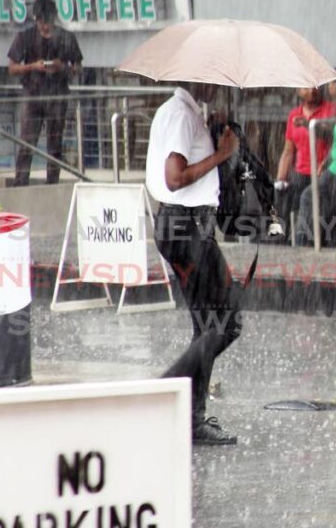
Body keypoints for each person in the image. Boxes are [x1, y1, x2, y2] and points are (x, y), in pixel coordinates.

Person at [146, 82, 242, 446]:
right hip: (186, 228)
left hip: (190, 228)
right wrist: (221, 154)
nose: (217, 86)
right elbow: (175, 178)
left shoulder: (185, 114)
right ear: (197, 80)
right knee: (224, 321)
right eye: (213, 80)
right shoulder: (181, 115)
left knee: (212, 324)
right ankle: (169, 394)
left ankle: (189, 417)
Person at [7, 0, 83, 186]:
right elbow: (12, 67)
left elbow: (78, 67)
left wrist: (62, 66)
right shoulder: (25, 37)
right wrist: (33, 66)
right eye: (42, 23)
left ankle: (52, 182)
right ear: (36, 20)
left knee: (55, 144)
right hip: (33, 96)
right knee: (27, 142)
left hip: (57, 96)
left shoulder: (66, 38)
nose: (46, 27)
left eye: (48, 22)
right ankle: (21, 182)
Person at [273, 87, 334, 242]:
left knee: (315, 211)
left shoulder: (330, 109)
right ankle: (284, 244)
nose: (311, 90)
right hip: (301, 172)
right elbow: (288, 151)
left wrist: (309, 125)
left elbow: (332, 136)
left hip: (324, 172)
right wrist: (280, 179)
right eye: (305, 87)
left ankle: (308, 244)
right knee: (283, 203)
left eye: (315, 86)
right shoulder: (294, 114)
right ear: (297, 91)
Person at [297, 74, 336, 247]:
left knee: (308, 197)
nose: (327, 89)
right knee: (331, 209)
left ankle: (303, 243)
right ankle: (329, 245)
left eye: (329, 84)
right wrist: (325, 162)